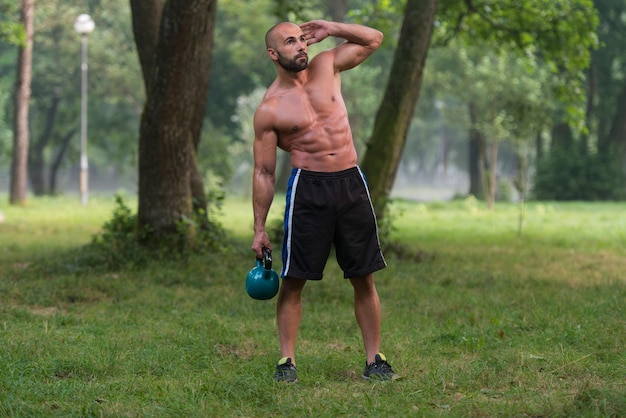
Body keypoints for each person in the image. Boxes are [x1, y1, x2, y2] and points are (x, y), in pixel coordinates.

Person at [251, 19, 397, 383]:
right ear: (273, 53)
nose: (301, 46)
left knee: (363, 276)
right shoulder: (270, 108)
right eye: (290, 42)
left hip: (350, 182)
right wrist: (258, 229)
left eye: (302, 39)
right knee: (294, 279)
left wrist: (331, 27)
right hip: (308, 188)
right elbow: (264, 173)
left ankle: (375, 358)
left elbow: (374, 39)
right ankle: (287, 362)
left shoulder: (327, 64)